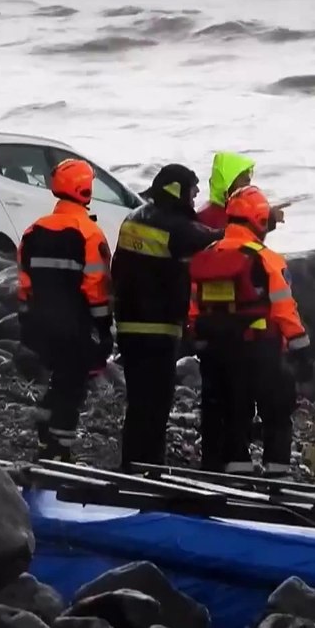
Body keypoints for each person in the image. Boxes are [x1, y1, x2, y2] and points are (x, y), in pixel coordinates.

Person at [189, 185, 315, 476]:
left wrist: (198, 339)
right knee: (277, 411)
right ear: (259, 220)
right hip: (260, 348)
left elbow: (193, 307)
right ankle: (277, 475)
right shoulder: (266, 258)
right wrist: (301, 349)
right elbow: (284, 309)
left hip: (216, 349)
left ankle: (237, 474)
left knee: (233, 412)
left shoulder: (208, 254)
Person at [112, 164, 221, 471]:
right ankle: (149, 467)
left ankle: (132, 463)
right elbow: (207, 238)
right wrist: (247, 225)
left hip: (129, 324)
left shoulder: (134, 218)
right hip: (157, 327)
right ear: (176, 190)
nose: (196, 194)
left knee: (138, 401)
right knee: (157, 402)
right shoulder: (171, 225)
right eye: (192, 188)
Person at [17, 158, 114, 461]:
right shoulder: (89, 234)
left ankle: (46, 439)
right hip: (74, 324)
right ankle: (60, 451)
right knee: (71, 387)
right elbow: (96, 289)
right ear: (85, 189)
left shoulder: (33, 231)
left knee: (59, 380)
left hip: (39, 322)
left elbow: (24, 283)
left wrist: (27, 323)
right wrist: (104, 331)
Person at [196, 152, 291, 230]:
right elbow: (237, 243)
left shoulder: (224, 209)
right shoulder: (213, 218)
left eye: (248, 175)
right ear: (227, 184)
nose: (248, 180)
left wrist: (266, 218)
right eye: (242, 176)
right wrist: (268, 220)